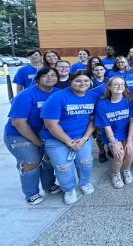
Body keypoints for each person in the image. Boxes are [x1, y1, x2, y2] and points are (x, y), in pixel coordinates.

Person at [4, 68, 61, 204]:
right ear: (38, 78)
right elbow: (18, 122)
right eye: (45, 75)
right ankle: (31, 193)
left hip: (45, 133)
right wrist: (37, 142)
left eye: (53, 75)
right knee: (31, 161)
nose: (49, 77)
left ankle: (48, 185)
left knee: (48, 159)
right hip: (19, 134)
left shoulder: (59, 94)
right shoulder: (26, 95)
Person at [41, 70, 97, 205]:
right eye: (78, 81)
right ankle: (69, 189)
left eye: (86, 81)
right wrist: (69, 142)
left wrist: (84, 139)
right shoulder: (57, 97)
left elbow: (94, 120)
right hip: (56, 138)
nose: (82, 83)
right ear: (70, 82)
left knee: (86, 162)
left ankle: (84, 183)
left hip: (82, 137)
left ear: (90, 82)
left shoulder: (93, 96)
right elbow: (50, 124)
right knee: (64, 167)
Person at [94, 77, 133, 188]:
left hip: (126, 132)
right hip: (111, 134)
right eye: (116, 84)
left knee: (130, 152)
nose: (119, 86)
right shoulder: (102, 104)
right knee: (119, 155)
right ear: (109, 87)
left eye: (122, 84)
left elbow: (132, 121)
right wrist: (114, 143)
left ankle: (126, 170)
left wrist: (130, 140)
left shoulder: (129, 100)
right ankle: (116, 174)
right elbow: (106, 126)